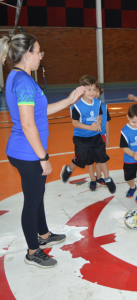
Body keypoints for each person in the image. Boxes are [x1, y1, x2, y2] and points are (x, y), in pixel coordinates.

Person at [0, 33, 85, 268]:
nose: (41, 56)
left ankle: (44, 234)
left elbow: (40, 111)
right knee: (32, 201)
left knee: (37, 197)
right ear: (28, 55)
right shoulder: (24, 82)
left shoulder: (18, 76)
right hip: (28, 153)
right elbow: (27, 124)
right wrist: (43, 158)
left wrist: (69, 100)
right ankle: (33, 251)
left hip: (23, 151)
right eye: (39, 52)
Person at [60, 75, 116, 194]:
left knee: (102, 157)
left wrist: (99, 123)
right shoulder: (76, 106)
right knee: (81, 159)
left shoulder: (98, 103)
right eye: (88, 89)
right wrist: (89, 127)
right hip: (81, 137)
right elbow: (75, 123)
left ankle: (107, 178)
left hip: (95, 136)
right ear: (82, 90)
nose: (92, 92)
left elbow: (100, 115)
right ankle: (69, 168)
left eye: (94, 89)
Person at [87, 82, 112, 190]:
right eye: (92, 90)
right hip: (89, 136)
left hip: (101, 136)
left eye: (97, 90)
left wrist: (108, 136)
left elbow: (106, 122)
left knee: (99, 158)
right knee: (90, 159)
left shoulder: (103, 106)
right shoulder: (86, 106)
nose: (95, 93)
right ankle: (92, 179)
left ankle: (98, 177)